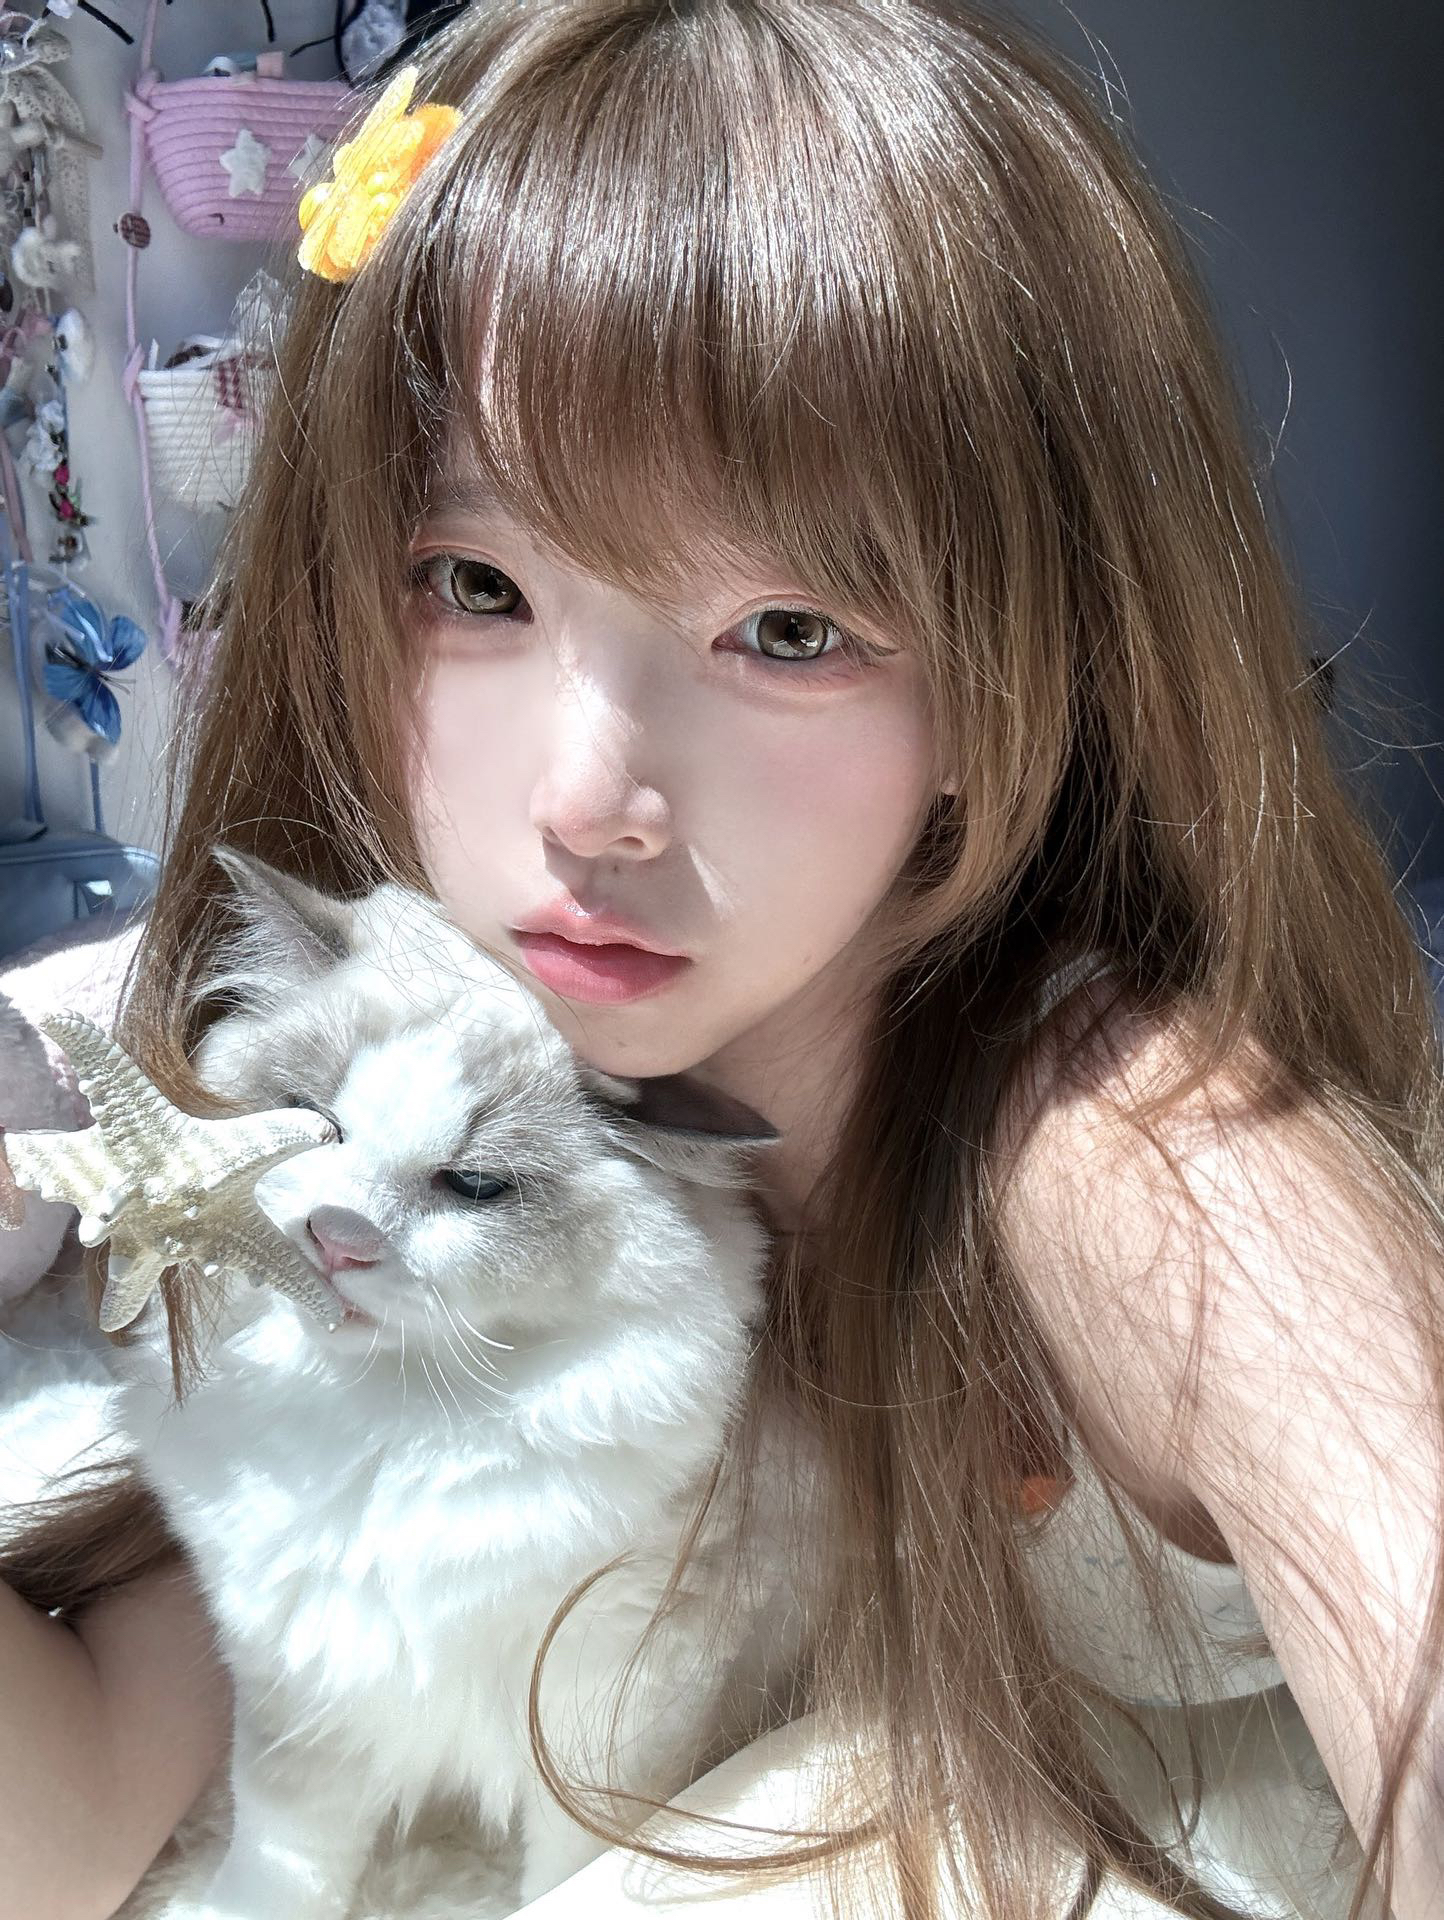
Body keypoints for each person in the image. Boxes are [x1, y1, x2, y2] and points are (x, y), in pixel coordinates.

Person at [1, 2, 1440, 1917]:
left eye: (789, 630)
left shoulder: (1131, 1151)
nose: (588, 800)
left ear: (1031, 670)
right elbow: (96, 1787)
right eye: (479, 586)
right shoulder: (438, 1041)